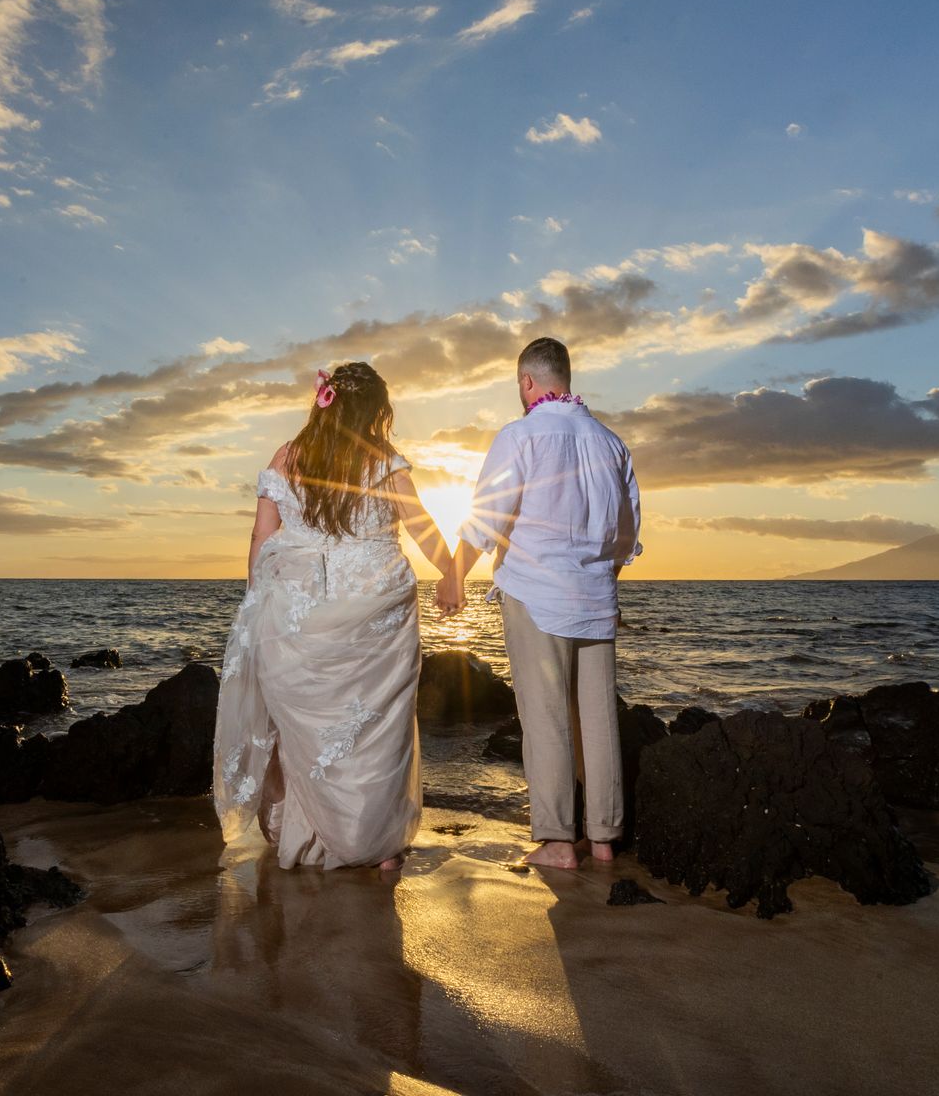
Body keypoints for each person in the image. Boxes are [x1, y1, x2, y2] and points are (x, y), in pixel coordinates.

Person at [213, 361, 459, 871]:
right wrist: (451, 571)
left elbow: (261, 536)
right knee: (374, 733)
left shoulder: (287, 457)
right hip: (375, 608)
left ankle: (305, 836)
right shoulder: (384, 461)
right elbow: (421, 525)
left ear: (324, 400)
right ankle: (375, 845)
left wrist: (258, 603)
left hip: (296, 608)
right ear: (373, 410)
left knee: (303, 730)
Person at [443, 337, 642, 870]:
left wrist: (454, 575)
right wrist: (601, 579)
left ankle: (557, 839)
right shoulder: (612, 444)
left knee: (547, 716)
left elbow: (488, 516)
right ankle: (603, 838)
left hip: (537, 595)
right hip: (597, 599)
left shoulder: (520, 436)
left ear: (529, 382)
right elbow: (626, 536)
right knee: (598, 721)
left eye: (518, 385)